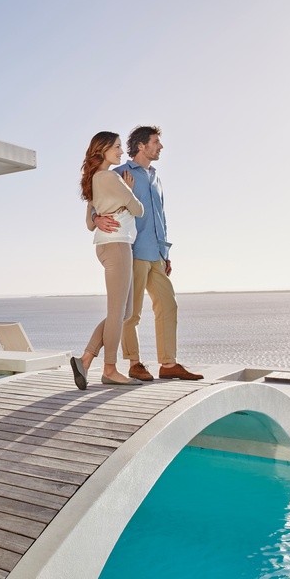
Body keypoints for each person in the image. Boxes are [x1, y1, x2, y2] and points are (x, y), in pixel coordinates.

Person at [91, 126, 203, 381]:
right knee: (132, 312)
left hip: (157, 252)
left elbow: (161, 216)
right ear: (141, 145)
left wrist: (165, 252)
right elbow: (93, 202)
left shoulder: (155, 178)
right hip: (131, 250)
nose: (160, 147)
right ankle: (134, 362)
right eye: (156, 142)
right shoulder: (119, 172)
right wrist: (96, 218)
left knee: (168, 304)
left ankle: (168, 363)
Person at [70, 131, 144, 390]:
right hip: (117, 245)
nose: (121, 151)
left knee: (123, 312)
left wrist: (101, 215)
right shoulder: (110, 177)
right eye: (117, 147)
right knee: (117, 312)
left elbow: (90, 223)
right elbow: (139, 209)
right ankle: (110, 369)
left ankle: (86, 359)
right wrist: (128, 193)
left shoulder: (94, 180)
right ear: (102, 149)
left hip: (107, 245)